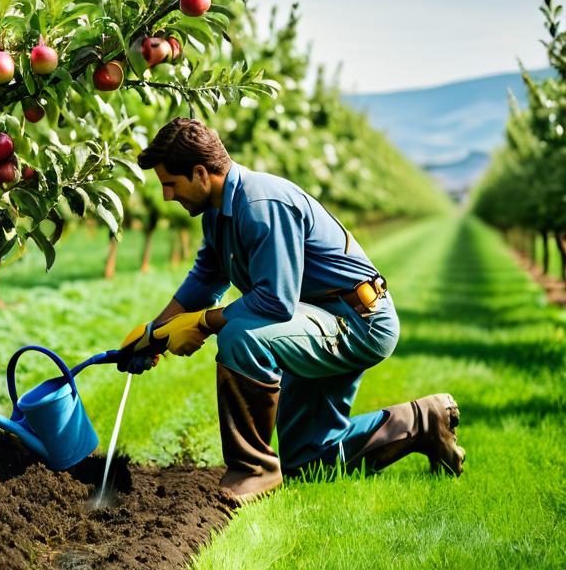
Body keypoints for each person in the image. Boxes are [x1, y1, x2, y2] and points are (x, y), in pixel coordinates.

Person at [116, 117, 465, 503]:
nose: (166, 196)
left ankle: (253, 469)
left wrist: (202, 323)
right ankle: (423, 421)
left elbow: (274, 302)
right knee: (307, 459)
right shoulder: (217, 214)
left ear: (200, 174)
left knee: (240, 336)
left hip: (356, 321)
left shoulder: (260, 204)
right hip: (319, 319)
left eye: (170, 184)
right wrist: (155, 334)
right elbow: (204, 280)